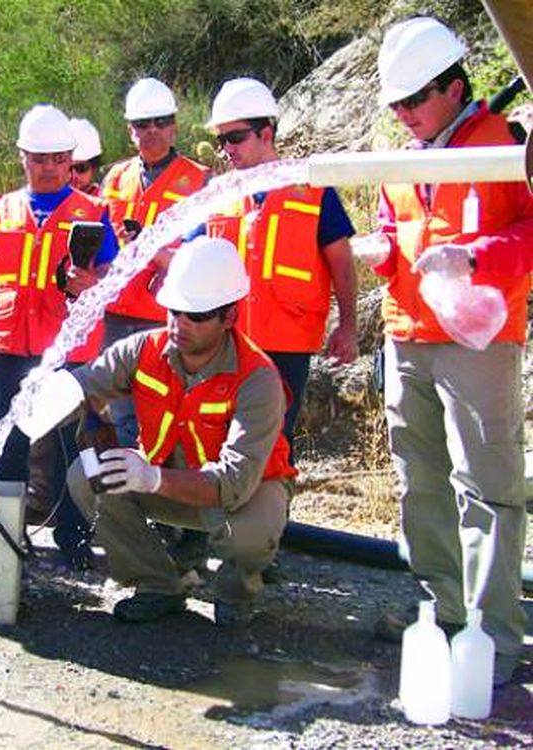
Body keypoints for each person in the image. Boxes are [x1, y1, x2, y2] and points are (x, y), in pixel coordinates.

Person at [369, 17, 531, 686]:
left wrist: (474, 257)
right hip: (407, 334)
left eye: (414, 101)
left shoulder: (506, 145)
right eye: (396, 105)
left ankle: (494, 636)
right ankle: (442, 611)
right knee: (421, 484)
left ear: (454, 86)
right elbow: (392, 223)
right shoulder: (402, 154)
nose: (404, 115)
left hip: (479, 342)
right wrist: (382, 255)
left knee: (486, 489)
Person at [29, 236, 294, 624]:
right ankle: (158, 584)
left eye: (197, 316)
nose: (181, 323)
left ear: (229, 318)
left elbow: (234, 482)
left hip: (244, 493)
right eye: (174, 311)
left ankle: (236, 592)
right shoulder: (143, 350)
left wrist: (152, 478)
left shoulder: (258, 379)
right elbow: (84, 385)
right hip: (167, 480)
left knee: (253, 536)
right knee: (87, 475)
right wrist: (60, 408)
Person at [0, 104, 119, 568]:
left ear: (70, 159)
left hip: (68, 348)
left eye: (60, 158)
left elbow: (116, 275)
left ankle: (74, 536)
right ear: (23, 157)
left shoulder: (95, 213)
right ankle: (7, 534)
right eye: (40, 158)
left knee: (68, 446)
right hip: (11, 347)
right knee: (10, 444)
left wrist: (91, 283)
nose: (50, 167)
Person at [203, 76, 359, 452]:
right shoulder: (219, 196)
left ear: (267, 132)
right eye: (222, 140)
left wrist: (349, 327)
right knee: (218, 441)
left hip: (286, 344)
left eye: (236, 138)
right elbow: (193, 262)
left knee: (274, 445)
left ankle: (271, 512)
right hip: (226, 342)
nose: (227, 150)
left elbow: (342, 263)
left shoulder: (313, 188)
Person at [100, 77, 211, 447]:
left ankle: (166, 495)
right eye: (143, 124)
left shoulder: (198, 180)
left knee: (165, 409)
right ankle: (129, 499)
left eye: (160, 122)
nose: (152, 131)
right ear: (130, 130)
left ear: (174, 126)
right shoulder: (116, 177)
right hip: (116, 313)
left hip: (164, 314)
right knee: (121, 415)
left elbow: (203, 255)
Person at [69, 118, 103, 196]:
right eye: (68, 169)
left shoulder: (106, 203)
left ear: (94, 169)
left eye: (81, 168)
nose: (73, 176)